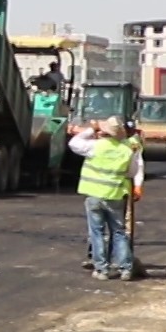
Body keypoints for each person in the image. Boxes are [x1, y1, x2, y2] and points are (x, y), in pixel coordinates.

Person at [69, 118, 143, 281]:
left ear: (104, 132)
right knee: (119, 232)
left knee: (97, 233)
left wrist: (91, 129)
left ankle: (102, 269)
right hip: (115, 196)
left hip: (94, 195)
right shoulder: (127, 151)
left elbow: (74, 143)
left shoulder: (95, 146)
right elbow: (132, 172)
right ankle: (126, 269)